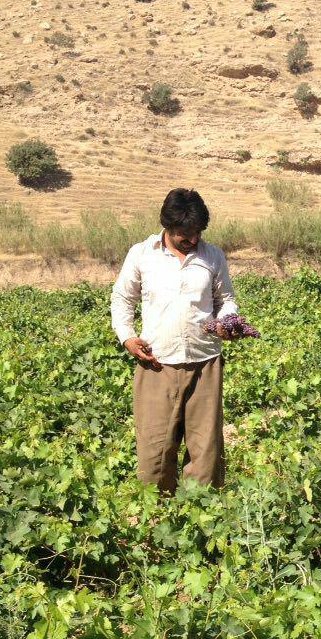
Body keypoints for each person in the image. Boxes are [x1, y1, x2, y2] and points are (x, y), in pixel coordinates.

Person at [110, 188, 239, 493]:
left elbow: (226, 299)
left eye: (197, 232)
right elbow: (122, 299)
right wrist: (127, 337)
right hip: (157, 364)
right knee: (154, 453)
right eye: (185, 233)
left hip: (205, 363)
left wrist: (226, 320)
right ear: (166, 226)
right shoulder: (142, 254)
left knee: (205, 454)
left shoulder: (213, 256)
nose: (192, 239)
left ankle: (200, 522)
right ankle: (157, 523)